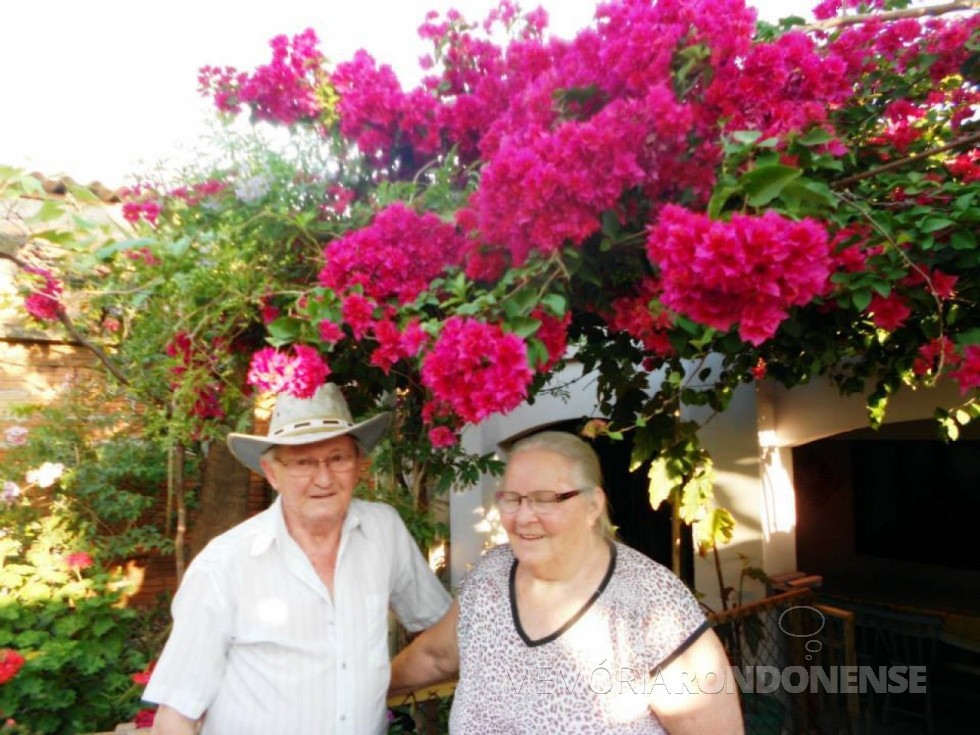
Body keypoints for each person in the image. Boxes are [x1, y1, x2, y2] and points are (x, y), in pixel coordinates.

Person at [144, 383, 451, 735]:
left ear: (357, 464)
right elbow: (177, 717)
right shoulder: (224, 566)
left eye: (337, 458)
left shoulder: (384, 531)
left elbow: (438, 628)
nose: (323, 478)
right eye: (304, 462)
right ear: (272, 473)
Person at [390, 430, 743, 734]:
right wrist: (357, 689)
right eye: (512, 499)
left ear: (593, 505)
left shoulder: (651, 602)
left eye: (546, 499)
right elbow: (436, 656)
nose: (524, 517)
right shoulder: (490, 576)